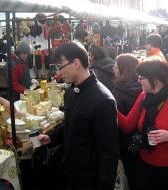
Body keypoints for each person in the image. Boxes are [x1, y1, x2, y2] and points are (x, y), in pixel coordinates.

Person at [38, 42, 119, 190]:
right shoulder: (71, 92)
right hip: (70, 172)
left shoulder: (103, 100)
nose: (59, 73)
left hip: (89, 179)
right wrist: (52, 137)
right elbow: (70, 124)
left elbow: (109, 153)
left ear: (76, 63)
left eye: (60, 67)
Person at [118, 58, 168, 190]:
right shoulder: (144, 96)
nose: (138, 81)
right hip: (146, 166)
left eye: (141, 77)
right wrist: (109, 106)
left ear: (155, 79)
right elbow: (128, 125)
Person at [112, 53, 142, 190]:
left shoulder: (119, 92)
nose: (114, 70)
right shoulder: (143, 87)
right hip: (142, 142)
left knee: (131, 178)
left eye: (117, 68)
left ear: (125, 71)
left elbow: (120, 124)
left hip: (126, 144)